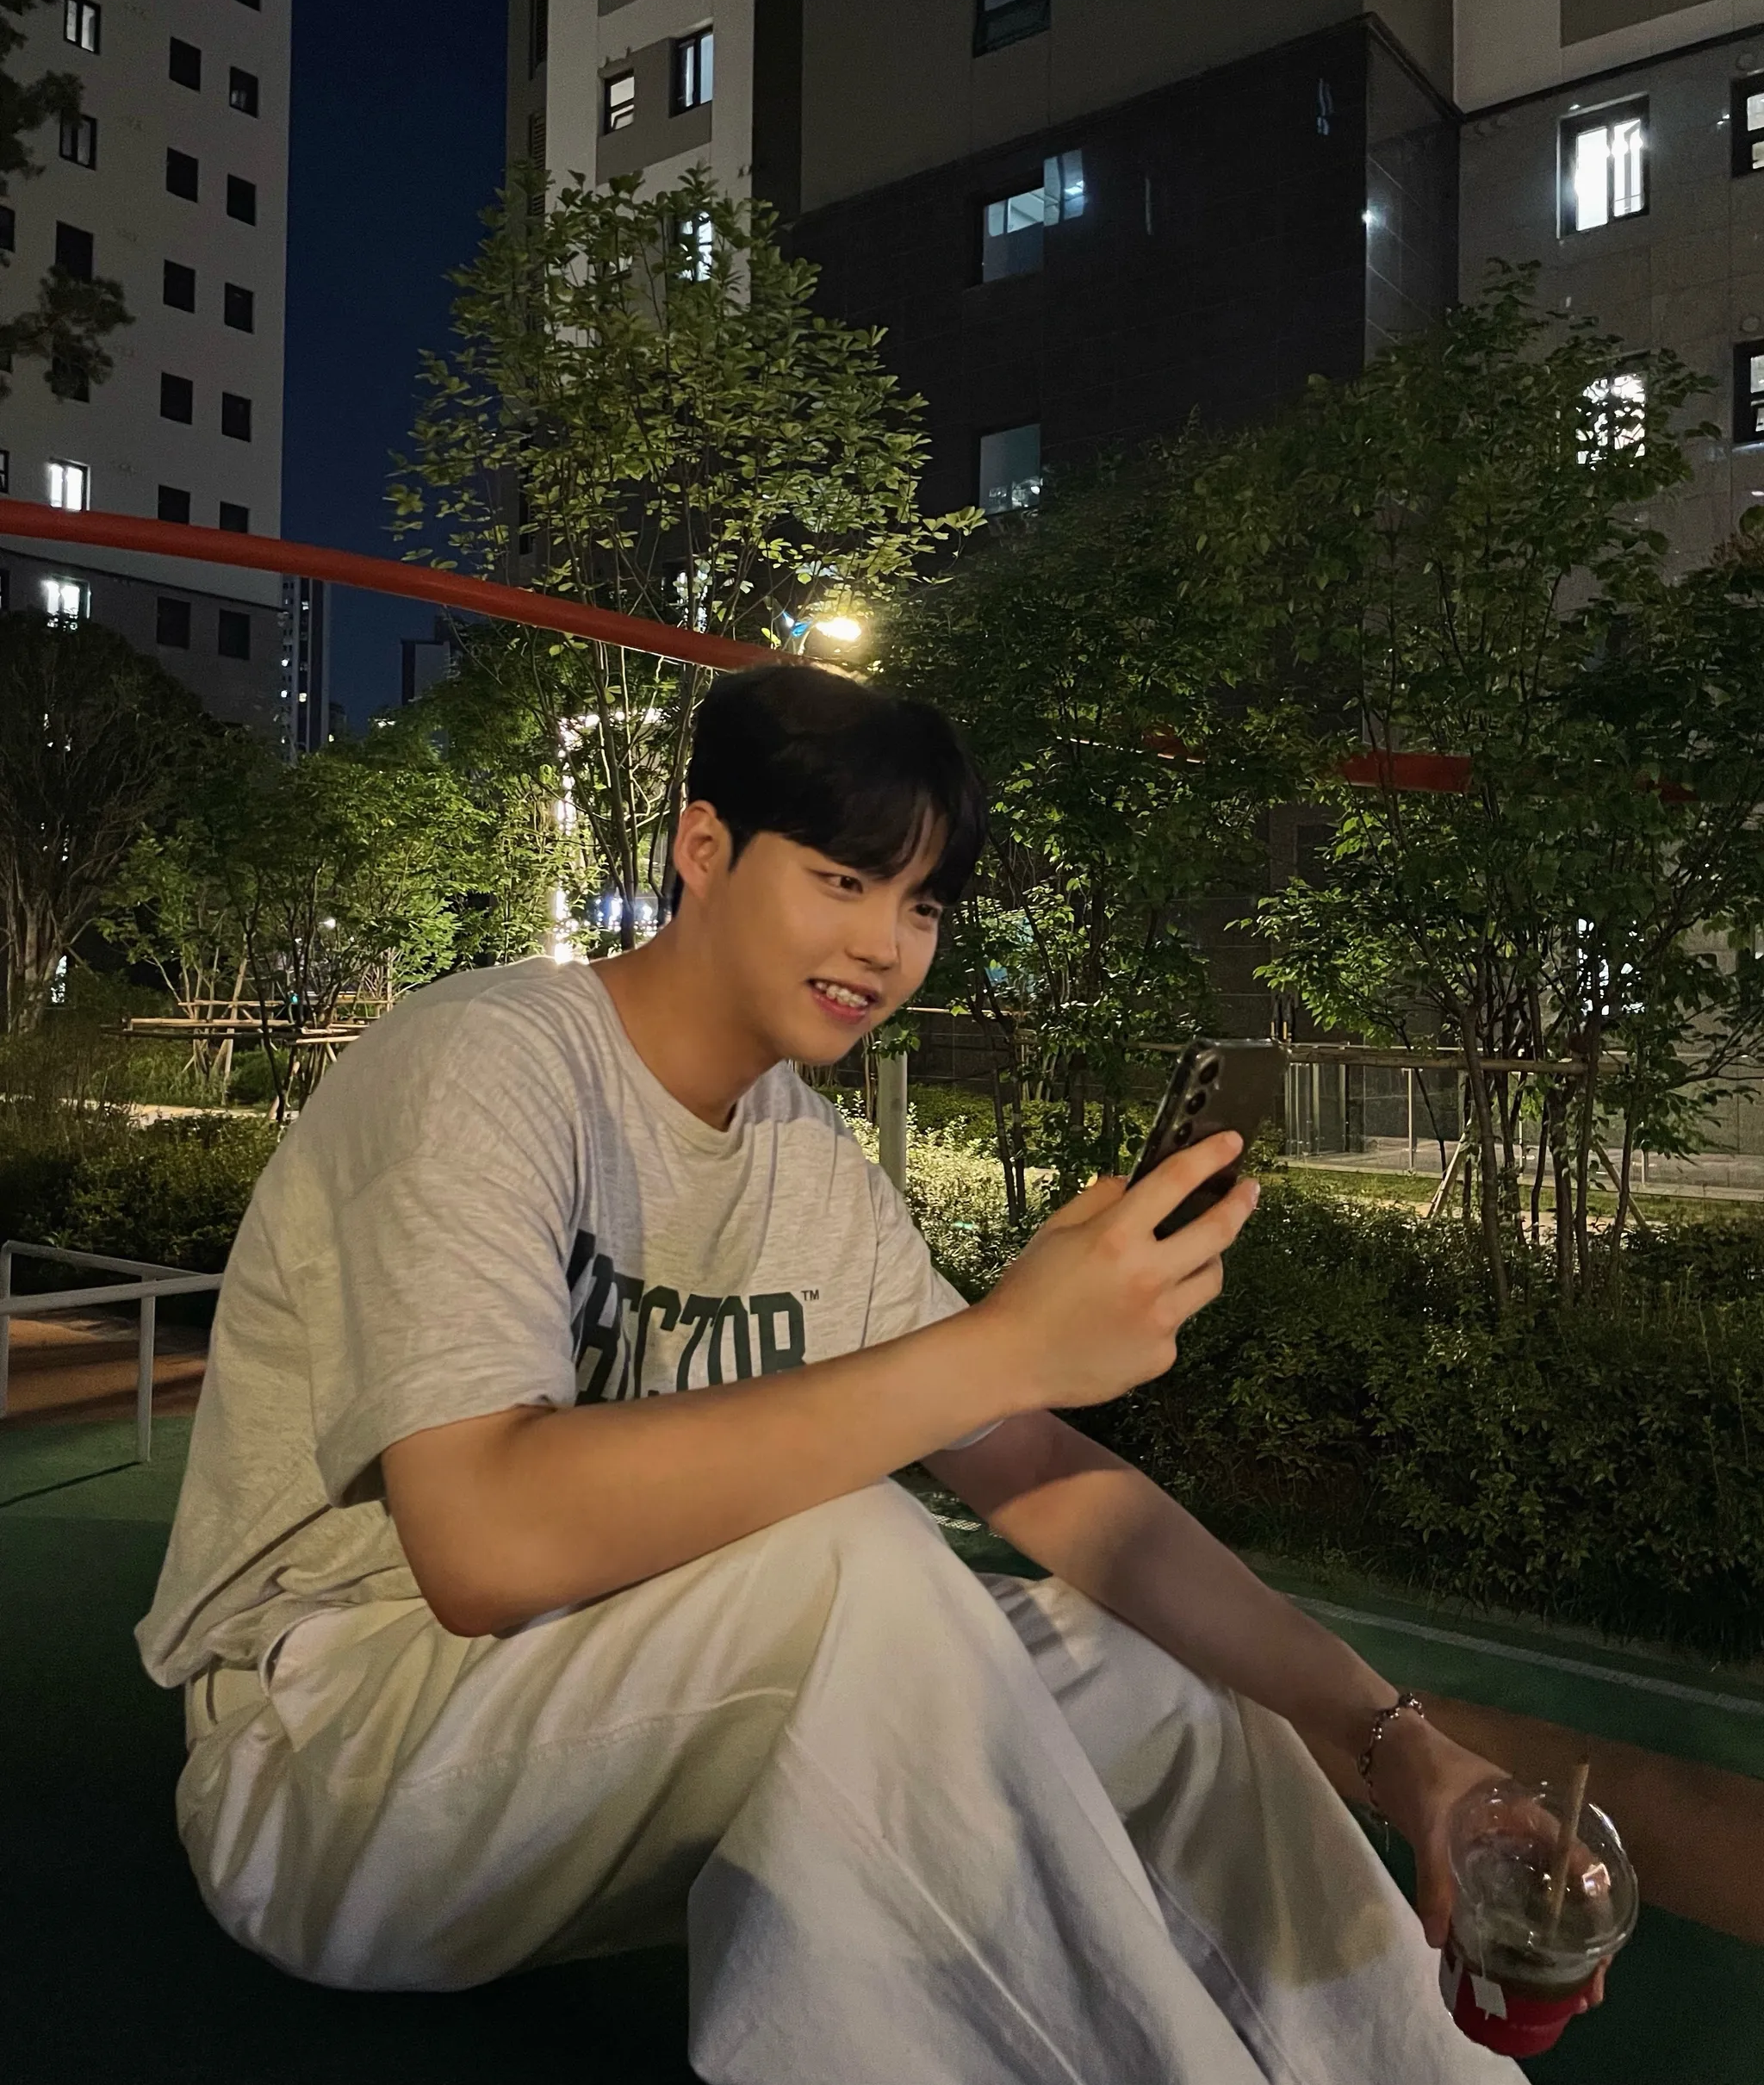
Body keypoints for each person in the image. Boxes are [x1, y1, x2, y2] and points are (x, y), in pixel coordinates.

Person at [139, 661, 1535, 2083]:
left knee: (1166, 1686)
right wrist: (1002, 1342)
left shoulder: (808, 1163)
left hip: (600, 1725)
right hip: (330, 1763)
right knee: (859, 1553)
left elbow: (1042, 1470)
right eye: (843, 879)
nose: (884, 944)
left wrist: (1389, 1736)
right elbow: (480, 1541)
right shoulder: (490, 1065)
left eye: (921, 904)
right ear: (702, 847)